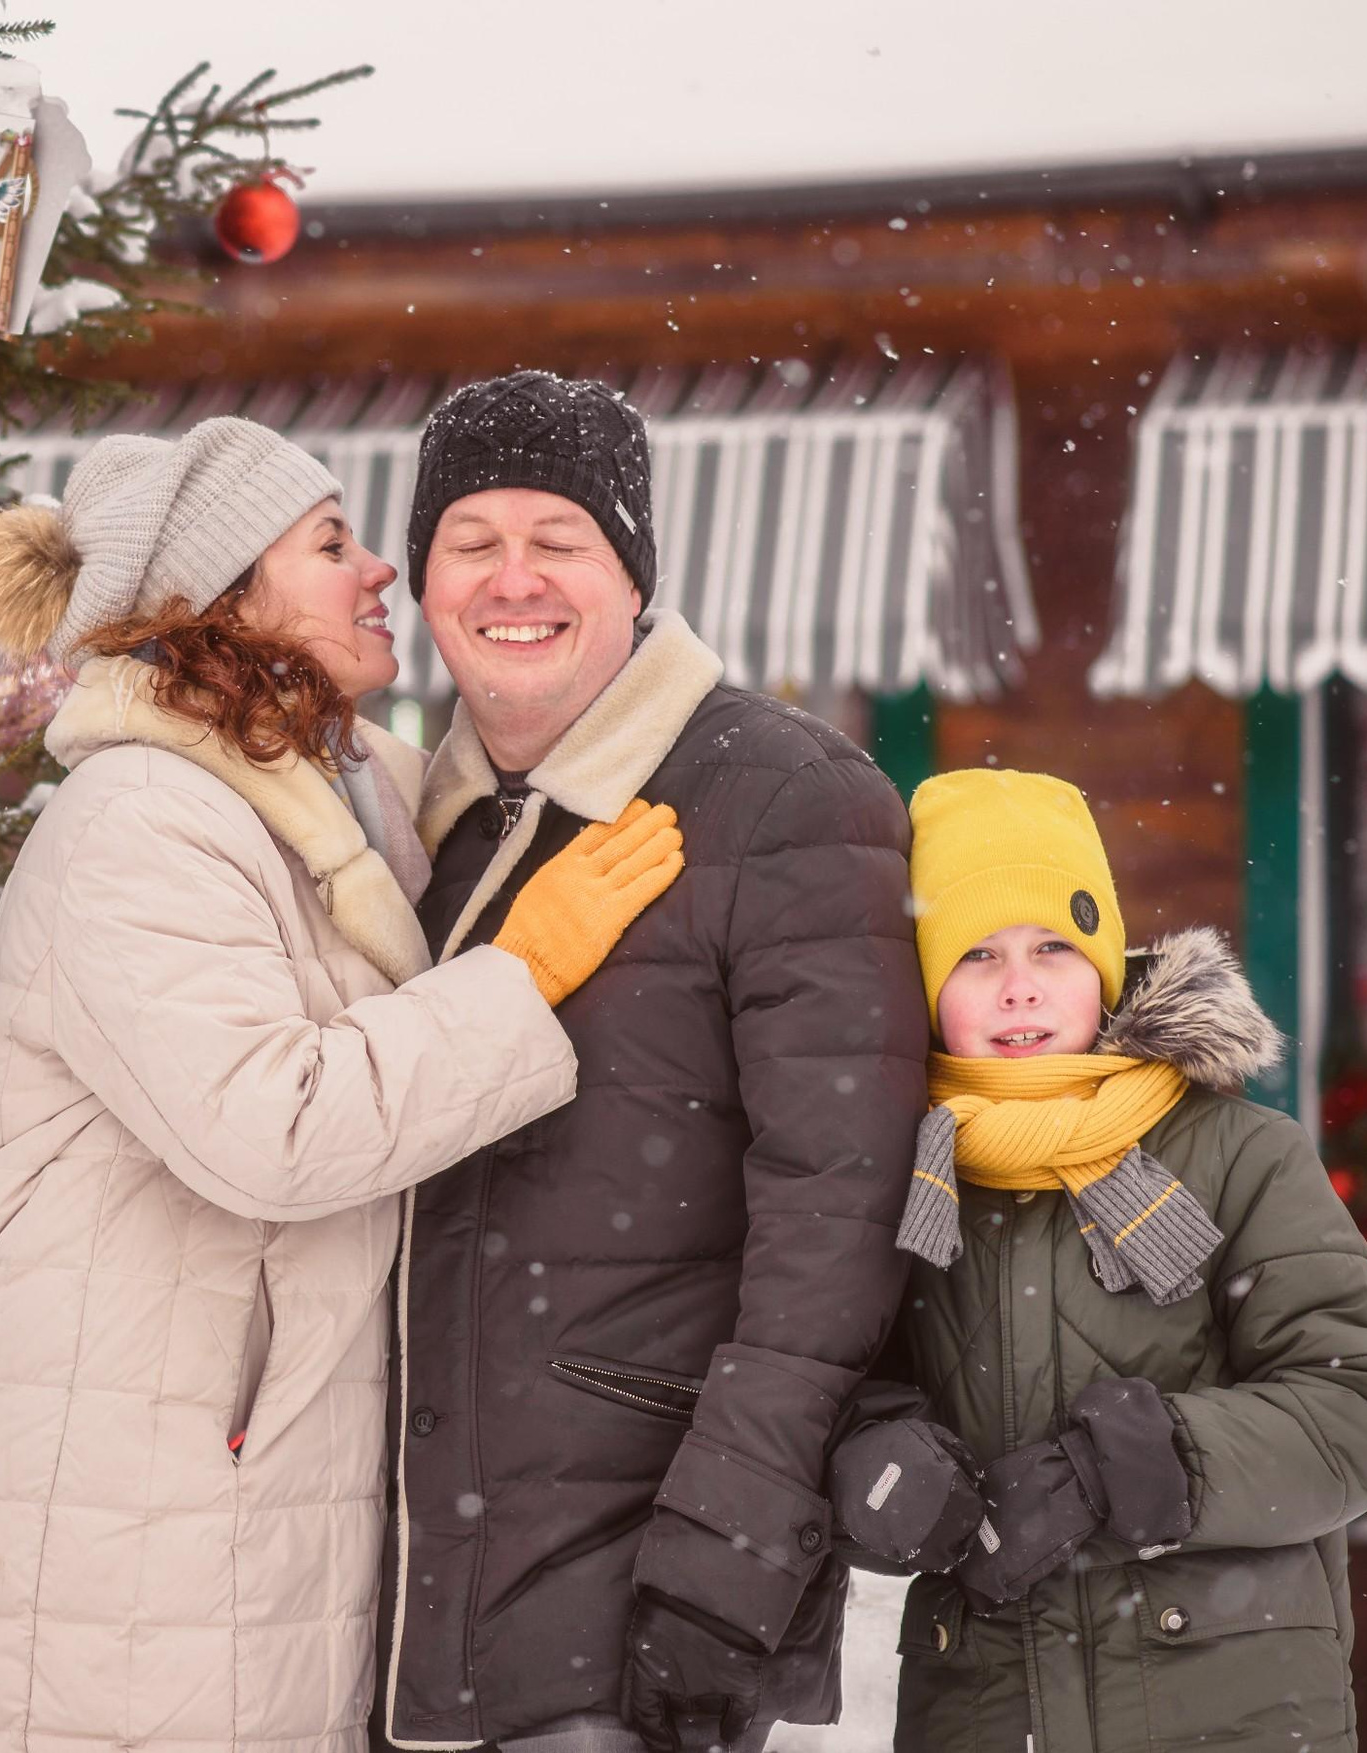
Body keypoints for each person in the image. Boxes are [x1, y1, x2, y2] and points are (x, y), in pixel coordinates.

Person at [0, 416, 685, 1753]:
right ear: (220, 603)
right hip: (115, 1575)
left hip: (231, 1541)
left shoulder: (336, 802)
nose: (380, 571)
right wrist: (523, 972)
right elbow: (274, 1126)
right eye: (329, 544)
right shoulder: (141, 823)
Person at [377, 371, 928, 1753]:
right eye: (470, 541)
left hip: (628, 1616)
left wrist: (726, 1555)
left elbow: (839, 1215)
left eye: (558, 540)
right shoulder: (408, 829)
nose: (513, 580)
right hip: (385, 1619)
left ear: (632, 575)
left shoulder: (785, 798)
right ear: (426, 581)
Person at [827, 768, 1367, 1753]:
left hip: (1232, 1708)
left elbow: (1358, 1403)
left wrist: (1136, 1465)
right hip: (986, 1706)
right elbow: (822, 1387)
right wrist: (874, 1465)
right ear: (925, 984)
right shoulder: (893, 1176)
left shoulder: (1239, 1154)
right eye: (975, 953)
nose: (1019, 984)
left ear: (1103, 960)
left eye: (1052, 946)